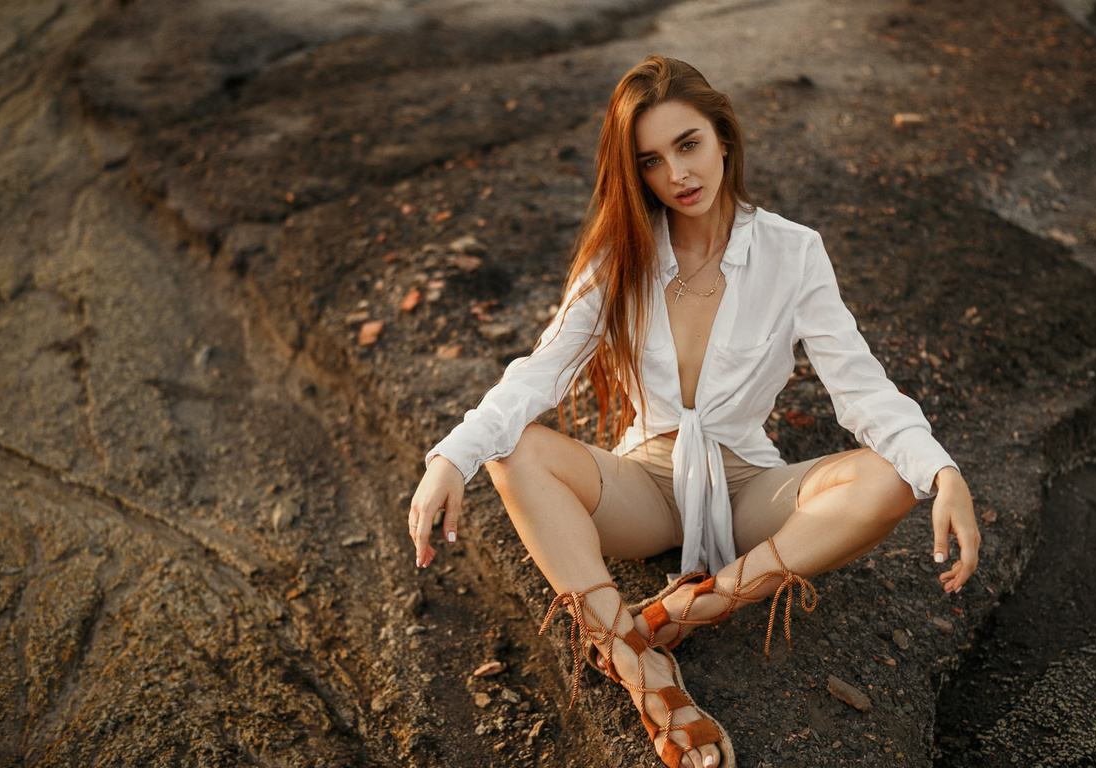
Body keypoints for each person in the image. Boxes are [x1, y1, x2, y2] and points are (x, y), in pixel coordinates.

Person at [408, 55, 980, 768]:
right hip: (643, 484)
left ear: (723, 139)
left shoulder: (793, 252)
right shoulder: (619, 257)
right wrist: (447, 458)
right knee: (512, 450)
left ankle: (699, 604)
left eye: (689, 145)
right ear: (634, 173)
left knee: (892, 478)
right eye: (651, 161)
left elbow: (861, 390)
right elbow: (537, 374)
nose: (677, 174)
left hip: (747, 486)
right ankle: (634, 658)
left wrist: (941, 470)